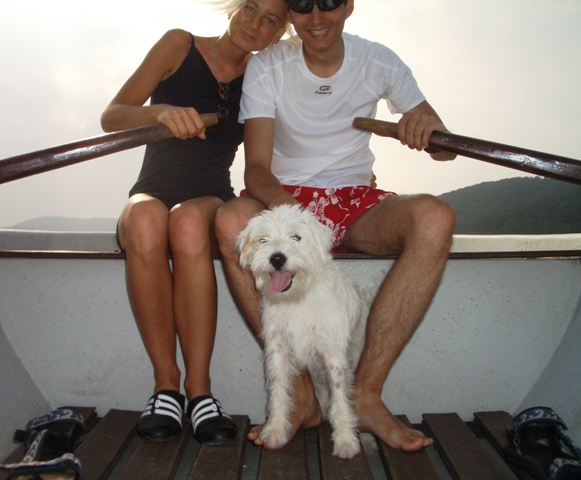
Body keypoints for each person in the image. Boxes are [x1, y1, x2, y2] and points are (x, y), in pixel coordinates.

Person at [215, 0, 457, 452]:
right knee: (231, 220)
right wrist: (299, 220)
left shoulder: (378, 60)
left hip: (355, 198)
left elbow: (445, 151)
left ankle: (365, 395)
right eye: (302, 5)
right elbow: (257, 171)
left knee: (436, 216)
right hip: (285, 196)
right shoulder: (269, 66)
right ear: (290, 14)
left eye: (328, 1)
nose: (317, 17)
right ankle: (303, 398)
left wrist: (427, 129)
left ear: (348, 5)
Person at [100, 0, 289, 444]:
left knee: (186, 222)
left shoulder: (263, 78)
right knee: (147, 218)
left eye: (269, 20)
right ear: (235, 8)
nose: (253, 23)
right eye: (250, 7)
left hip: (207, 199)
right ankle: (165, 386)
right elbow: (112, 115)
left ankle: (200, 393)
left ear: (278, 34)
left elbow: (287, 138)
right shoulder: (178, 45)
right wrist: (159, 112)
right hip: (150, 190)